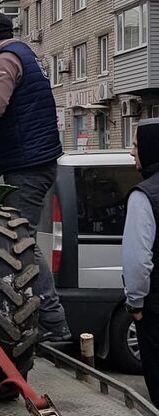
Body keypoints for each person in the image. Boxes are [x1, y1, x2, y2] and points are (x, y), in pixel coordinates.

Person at [0, 11, 70, 342]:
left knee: (21, 244)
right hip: (36, 160)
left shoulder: (5, 59)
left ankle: (52, 321)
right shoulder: (25, 54)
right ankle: (50, 319)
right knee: (22, 241)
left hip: (28, 165)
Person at [122, 118, 159, 408]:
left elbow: (137, 262)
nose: (132, 152)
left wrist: (135, 304)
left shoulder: (144, 196)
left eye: (136, 145)